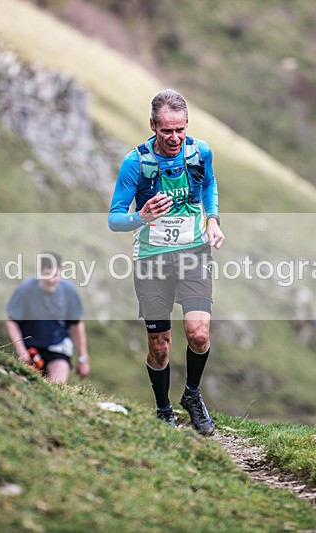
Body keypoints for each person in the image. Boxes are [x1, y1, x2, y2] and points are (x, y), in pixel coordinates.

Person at [108, 89, 224, 435]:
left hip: (193, 253)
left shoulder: (200, 152)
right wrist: (140, 217)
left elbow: (210, 184)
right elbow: (115, 219)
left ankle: (191, 395)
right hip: (151, 261)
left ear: (187, 125)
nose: (174, 138)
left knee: (198, 333)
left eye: (180, 130)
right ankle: (163, 409)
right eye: (166, 131)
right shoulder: (136, 163)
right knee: (160, 348)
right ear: (152, 126)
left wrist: (212, 219)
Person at [5, 252, 90, 384]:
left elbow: (76, 325)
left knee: (57, 386)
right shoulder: (25, 290)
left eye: (55, 275)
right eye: (46, 274)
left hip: (58, 346)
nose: (51, 280)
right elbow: (12, 323)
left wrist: (83, 358)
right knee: (29, 385)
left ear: (61, 272)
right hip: (31, 348)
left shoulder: (70, 292)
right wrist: (21, 351)